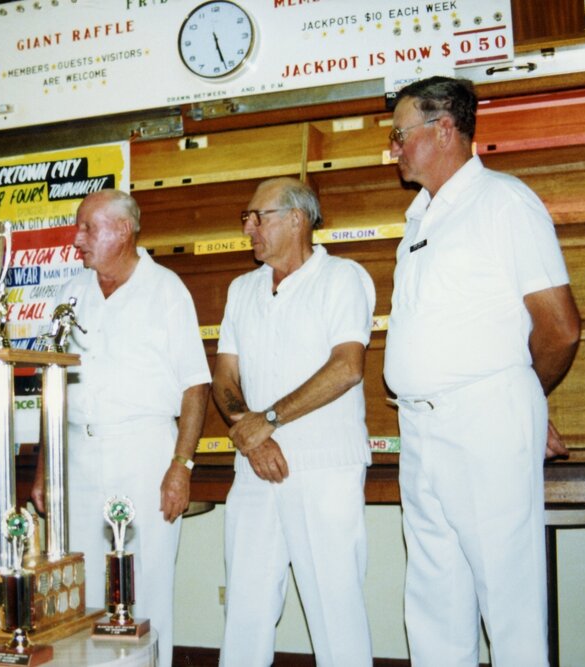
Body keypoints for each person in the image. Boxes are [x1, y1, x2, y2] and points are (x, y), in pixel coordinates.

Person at [384, 76, 581, 666]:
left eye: (400, 134)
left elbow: (560, 326)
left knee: (507, 594)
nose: (393, 147)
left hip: (484, 420)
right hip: (422, 429)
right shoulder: (418, 217)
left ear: (444, 129)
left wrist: (521, 400)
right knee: (434, 598)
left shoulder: (504, 201)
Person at [30, 189, 210, 667]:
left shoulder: (166, 288)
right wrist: (45, 467)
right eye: (78, 227)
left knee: (146, 586)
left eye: (88, 228)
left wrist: (181, 466)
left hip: (144, 452)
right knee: (79, 587)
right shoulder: (71, 292)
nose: (76, 239)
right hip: (78, 455)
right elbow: (54, 384)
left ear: (124, 230)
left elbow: (196, 386)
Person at [212, 178, 375, 667]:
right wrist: (250, 433)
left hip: (325, 467)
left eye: (258, 216)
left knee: (335, 611)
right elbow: (225, 375)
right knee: (244, 610)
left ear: (297, 219)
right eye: (246, 217)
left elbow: (347, 366)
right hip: (254, 467)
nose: (248, 227)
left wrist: (270, 419)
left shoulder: (343, 278)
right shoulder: (242, 288)